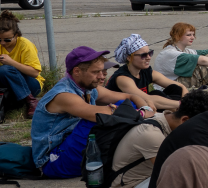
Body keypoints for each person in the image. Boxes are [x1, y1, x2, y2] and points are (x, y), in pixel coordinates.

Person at [31, 46, 151, 179]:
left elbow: (129, 96)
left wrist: (146, 109)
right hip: (53, 161)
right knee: (97, 120)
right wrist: (140, 114)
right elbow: (100, 114)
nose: (101, 76)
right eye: (95, 72)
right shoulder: (64, 94)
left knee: (123, 107)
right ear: (77, 71)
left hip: (70, 148)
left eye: (102, 71)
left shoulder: (88, 87)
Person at [111, 88, 208, 188]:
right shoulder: (152, 134)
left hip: (149, 181)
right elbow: (172, 174)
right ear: (185, 120)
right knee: (189, 182)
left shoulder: (165, 120)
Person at [0, 11, 43, 111]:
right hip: (5, 85)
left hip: (30, 85)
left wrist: (11, 63)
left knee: (4, 69)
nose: (2, 43)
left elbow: (35, 73)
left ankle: (30, 101)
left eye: (7, 40)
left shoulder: (25, 44)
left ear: (16, 35)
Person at [108, 34, 185, 113]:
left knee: (175, 88)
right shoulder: (123, 78)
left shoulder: (145, 71)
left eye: (150, 53)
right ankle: (178, 114)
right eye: (143, 55)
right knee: (156, 94)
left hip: (145, 106)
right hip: (124, 112)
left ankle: (179, 113)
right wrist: (182, 104)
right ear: (129, 57)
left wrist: (188, 100)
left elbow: (180, 86)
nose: (149, 57)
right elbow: (149, 99)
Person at [155, 23, 208, 91]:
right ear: (177, 36)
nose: (192, 38)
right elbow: (203, 60)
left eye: (193, 35)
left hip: (178, 82)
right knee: (201, 66)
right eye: (189, 35)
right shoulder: (170, 52)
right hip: (166, 87)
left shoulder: (185, 51)